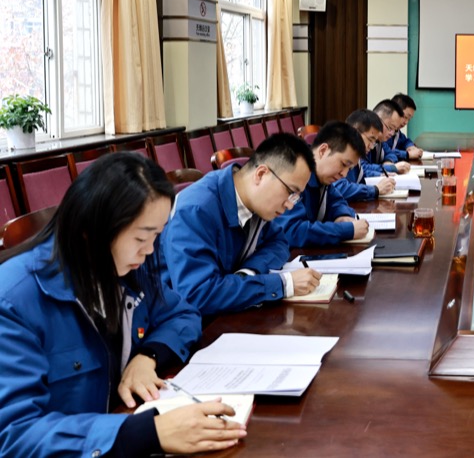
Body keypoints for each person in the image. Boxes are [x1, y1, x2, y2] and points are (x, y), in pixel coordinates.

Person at [0, 153, 246, 456]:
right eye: (142, 238)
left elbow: (182, 314)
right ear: (92, 230)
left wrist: (148, 356)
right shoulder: (13, 300)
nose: (150, 250)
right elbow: (14, 435)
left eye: (156, 235)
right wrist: (148, 432)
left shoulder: (126, 269)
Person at [160, 133, 322, 316]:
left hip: (227, 313)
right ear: (261, 174)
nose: (290, 204)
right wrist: (283, 284)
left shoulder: (256, 202)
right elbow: (197, 295)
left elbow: (278, 243)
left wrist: (249, 272)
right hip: (180, 321)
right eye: (291, 192)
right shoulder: (195, 211)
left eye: (296, 196)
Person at [271, 121, 369, 246]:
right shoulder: (292, 174)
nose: (344, 174)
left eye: (349, 169)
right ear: (323, 151)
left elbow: (336, 201)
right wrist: (345, 231)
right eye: (344, 164)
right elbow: (292, 230)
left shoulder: (323, 178)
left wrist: (342, 216)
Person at [338, 108, 396, 202]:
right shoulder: (338, 152)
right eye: (370, 140)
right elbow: (339, 188)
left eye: (374, 142)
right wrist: (375, 189)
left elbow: (360, 173)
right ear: (355, 131)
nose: (371, 147)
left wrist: (380, 175)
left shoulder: (354, 155)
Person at [369, 99, 411, 173]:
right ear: (377, 120)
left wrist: (388, 161)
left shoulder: (380, 140)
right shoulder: (363, 139)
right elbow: (363, 168)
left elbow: (391, 153)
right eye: (390, 128)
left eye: (395, 130)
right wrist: (391, 168)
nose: (392, 133)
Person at [389, 93, 425, 161]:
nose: (406, 122)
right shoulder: (384, 131)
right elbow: (387, 152)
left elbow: (405, 141)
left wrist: (410, 147)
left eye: (409, 119)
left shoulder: (397, 131)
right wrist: (408, 154)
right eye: (405, 117)